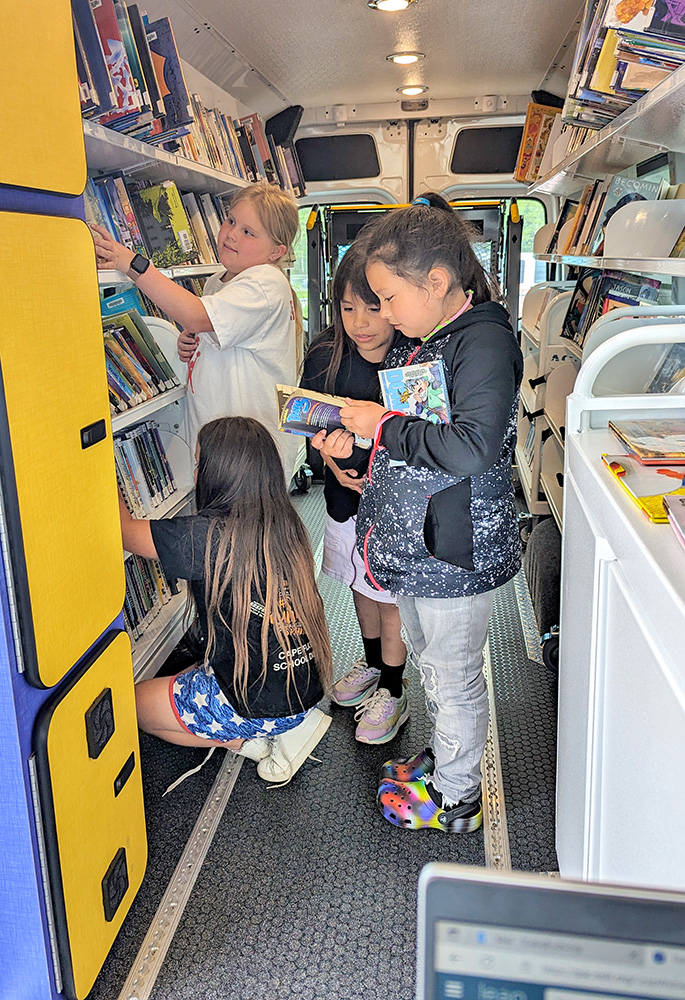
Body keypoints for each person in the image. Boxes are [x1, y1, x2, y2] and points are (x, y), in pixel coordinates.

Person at [339, 193, 523, 833]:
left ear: (437, 283)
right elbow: (418, 428)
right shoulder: (429, 341)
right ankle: (447, 764)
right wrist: (360, 441)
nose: (383, 313)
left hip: (452, 545)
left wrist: (383, 427)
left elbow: (471, 447)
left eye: (389, 298)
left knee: (453, 674)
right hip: (419, 546)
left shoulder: (484, 345)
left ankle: (457, 796)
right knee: (431, 663)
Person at [118, 416, 333, 785]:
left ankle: (243, 739)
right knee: (186, 677)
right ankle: (283, 727)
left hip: (252, 703)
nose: (196, 469)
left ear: (217, 473)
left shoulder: (205, 536)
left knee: (133, 704)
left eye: (199, 462)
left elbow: (125, 532)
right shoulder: (286, 523)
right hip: (306, 688)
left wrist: (102, 462)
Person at [91, 182, 301, 479]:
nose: (230, 234)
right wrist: (191, 341)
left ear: (276, 252)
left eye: (248, 232)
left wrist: (132, 264)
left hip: (248, 456)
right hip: (218, 444)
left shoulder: (266, 282)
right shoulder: (219, 281)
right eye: (230, 221)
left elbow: (197, 315)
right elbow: (211, 330)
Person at [300, 242, 409, 744]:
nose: (361, 323)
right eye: (348, 308)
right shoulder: (325, 352)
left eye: (374, 306)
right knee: (356, 584)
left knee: (390, 597)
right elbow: (312, 425)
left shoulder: (413, 356)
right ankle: (370, 665)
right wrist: (330, 461)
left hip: (394, 508)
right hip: (344, 500)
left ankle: (394, 688)